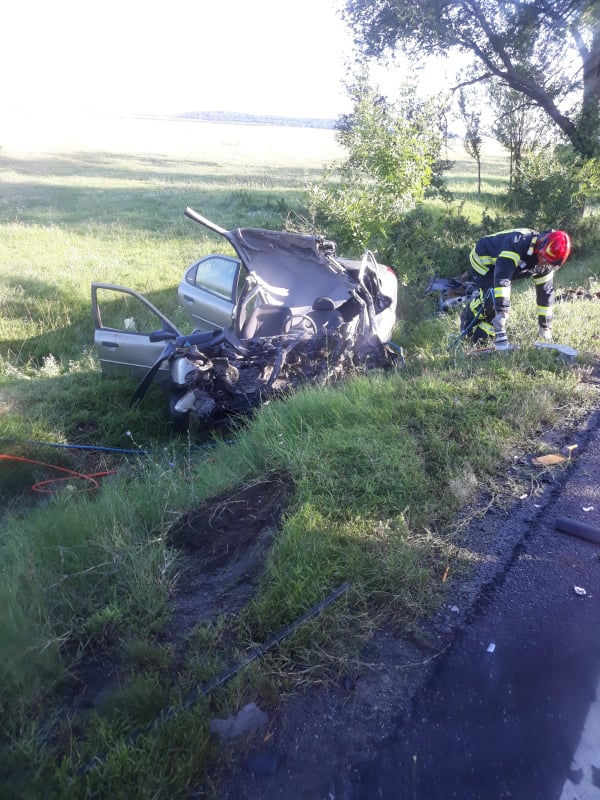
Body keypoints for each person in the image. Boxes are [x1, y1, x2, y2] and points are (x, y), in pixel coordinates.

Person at [460, 228, 572, 350]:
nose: (544, 264)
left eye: (550, 263)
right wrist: (503, 312)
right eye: (544, 259)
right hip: (483, 261)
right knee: (491, 299)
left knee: (494, 313)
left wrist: (545, 326)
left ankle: (478, 342)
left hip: (502, 267)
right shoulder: (517, 245)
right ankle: (466, 320)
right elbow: (502, 278)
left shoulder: (546, 265)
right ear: (539, 247)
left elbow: (546, 294)